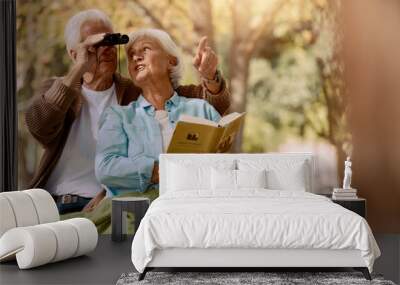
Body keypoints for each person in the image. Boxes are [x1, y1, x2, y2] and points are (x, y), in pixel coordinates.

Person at [25, 9, 230, 214]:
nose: (107, 49)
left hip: (108, 204)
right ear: (74, 54)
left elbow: (202, 103)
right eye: (96, 44)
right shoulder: (60, 90)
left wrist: (211, 77)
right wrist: (78, 70)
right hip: (59, 202)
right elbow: (39, 125)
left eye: (111, 41)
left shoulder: (134, 90)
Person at [95, 28, 221, 195]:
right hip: (140, 214)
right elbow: (106, 167)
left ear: (172, 61)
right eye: (131, 54)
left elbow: (223, 164)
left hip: (195, 207)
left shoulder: (201, 109)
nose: (135, 57)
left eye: (145, 49)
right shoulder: (118, 116)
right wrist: (159, 172)